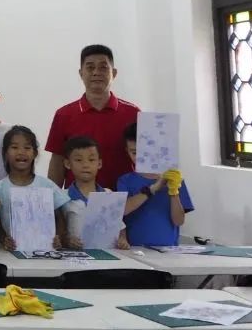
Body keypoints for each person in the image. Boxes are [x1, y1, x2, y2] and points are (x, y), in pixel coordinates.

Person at [46, 45, 140, 190]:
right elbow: (57, 161)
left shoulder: (134, 113)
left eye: (103, 67)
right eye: (90, 67)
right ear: (81, 73)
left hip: (126, 199)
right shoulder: (64, 115)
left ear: (114, 73)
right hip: (77, 200)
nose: (96, 72)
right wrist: (52, 198)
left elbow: (146, 160)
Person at [0, 126, 68, 251]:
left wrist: (58, 237)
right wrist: (4, 239)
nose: (21, 152)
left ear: (35, 153)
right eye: (14, 147)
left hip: (46, 252)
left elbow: (61, 217)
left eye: (27, 148)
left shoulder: (47, 186)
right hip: (11, 253)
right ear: (5, 153)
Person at [117, 124, 193, 247]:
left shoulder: (174, 179)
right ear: (127, 151)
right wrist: (153, 189)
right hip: (135, 249)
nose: (140, 158)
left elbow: (178, 221)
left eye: (145, 152)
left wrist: (173, 191)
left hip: (168, 249)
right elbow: (122, 211)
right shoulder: (125, 180)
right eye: (134, 152)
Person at [62, 136, 130, 249]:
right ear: (67, 163)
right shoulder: (63, 197)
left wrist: (122, 239)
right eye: (78, 160)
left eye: (91, 159)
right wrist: (67, 241)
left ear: (99, 163)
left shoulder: (108, 195)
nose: (85, 165)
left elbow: (120, 227)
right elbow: (59, 231)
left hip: (107, 254)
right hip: (75, 255)